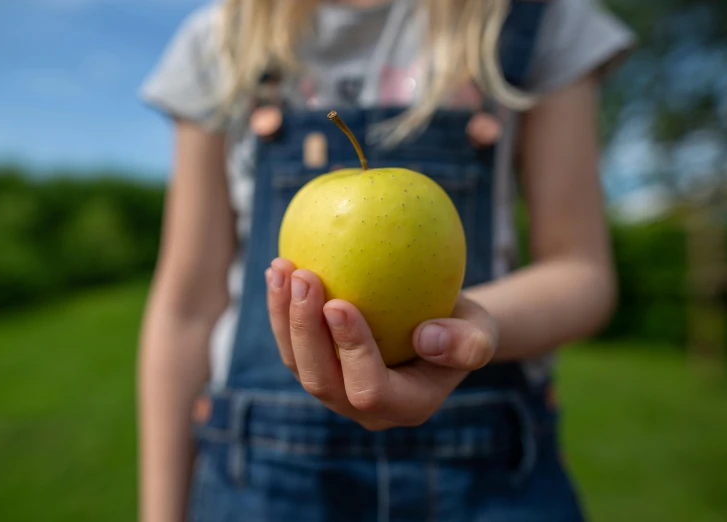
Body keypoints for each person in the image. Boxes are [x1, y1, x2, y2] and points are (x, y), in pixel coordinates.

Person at [138, 0, 635, 520]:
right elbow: (187, 308)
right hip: (263, 477)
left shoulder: (535, 18)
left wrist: (467, 327)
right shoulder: (221, 38)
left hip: (487, 471)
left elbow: (583, 271)